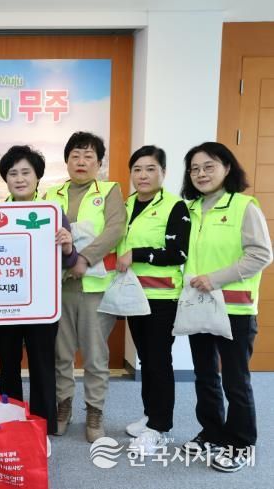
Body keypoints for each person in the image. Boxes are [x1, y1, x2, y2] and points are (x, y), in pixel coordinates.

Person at [179, 142, 272, 473]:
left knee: (235, 380)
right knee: (205, 375)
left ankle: (241, 443)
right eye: (195, 168)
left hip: (235, 308)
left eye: (209, 166)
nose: (201, 173)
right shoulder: (189, 209)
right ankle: (212, 432)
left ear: (227, 168)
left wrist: (215, 279)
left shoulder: (244, 206)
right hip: (198, 305)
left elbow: (261, 255)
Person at [0, 145, 78, 457]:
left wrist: (67, 246)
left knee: (43, 366)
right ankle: (12, 424)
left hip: (41, 305)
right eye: (12, 173)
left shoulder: (52, 213)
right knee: (8, 366)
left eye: (25, 172)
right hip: (4, 304)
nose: (19, 178)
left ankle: (41, 429)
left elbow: (70, 261)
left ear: (37, 177)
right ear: (6, 179)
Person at [44, 131, 126, 443]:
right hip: (60, 288)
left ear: (99, 163)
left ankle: (94, 412)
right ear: (66, 161)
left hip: (94, 287)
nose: (81, 161)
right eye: (75, 156)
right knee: (61, 354)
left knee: (95, 355)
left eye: (88, 156)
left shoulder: (109, 190)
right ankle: (63, 407)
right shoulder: (51, 194)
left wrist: (84, 258)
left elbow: (115, 230)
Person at [115, 146, 190, 454]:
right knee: (146, 358)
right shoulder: (127, 204)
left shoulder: (175, 206)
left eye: (150, 169)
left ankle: (160, 427)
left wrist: (137, 253)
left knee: (159, 360)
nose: (143, 175)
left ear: (163, 173)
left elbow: (178, 253)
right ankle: (150, 416)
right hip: (134, 295)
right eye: (137, 169)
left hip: (162, 297)